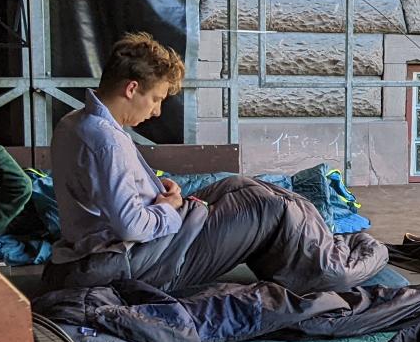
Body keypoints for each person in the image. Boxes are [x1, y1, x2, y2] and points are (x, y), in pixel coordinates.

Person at [43, 32, 387, 295]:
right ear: (132, 89)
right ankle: (337, 267)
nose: (157, 111)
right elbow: (131, 227)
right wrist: (168, 208)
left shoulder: (73, 122)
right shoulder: (106, 140)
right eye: (156, 99)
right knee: (267, 207)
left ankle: (317, 236)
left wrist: (158, 192)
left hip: (126, 249)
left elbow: (105, 196)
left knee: (235, 184)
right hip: (140, 263)